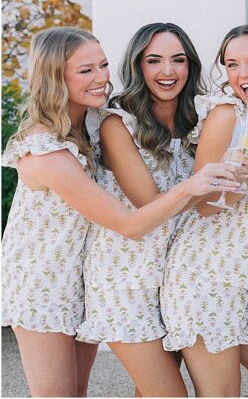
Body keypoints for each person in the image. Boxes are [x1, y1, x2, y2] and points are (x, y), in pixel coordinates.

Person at [1, 27, 235, 397]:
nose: (101, 78)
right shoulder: (45, 150)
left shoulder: (90, 124)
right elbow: (128, 223)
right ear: (54, 77)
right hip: (42, 282)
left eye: (103, 65)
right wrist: (194, 185)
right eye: (85, 71)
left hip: (81, 273)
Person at [161, 23, 248, 397]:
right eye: (233, 64)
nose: (243, 74)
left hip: (243, 276)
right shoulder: (227, 115)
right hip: (206, 275)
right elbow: (203, 204)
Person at [77, 23, 211, 396]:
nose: (167, 71)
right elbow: (148, 204)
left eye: (177, 60)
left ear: (190, 66)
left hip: (176, 278)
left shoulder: (199, 118)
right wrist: (203, 186)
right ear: (138, 67)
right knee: (169, 393)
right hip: (126, 278)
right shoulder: (117, 122)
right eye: (154, 61)